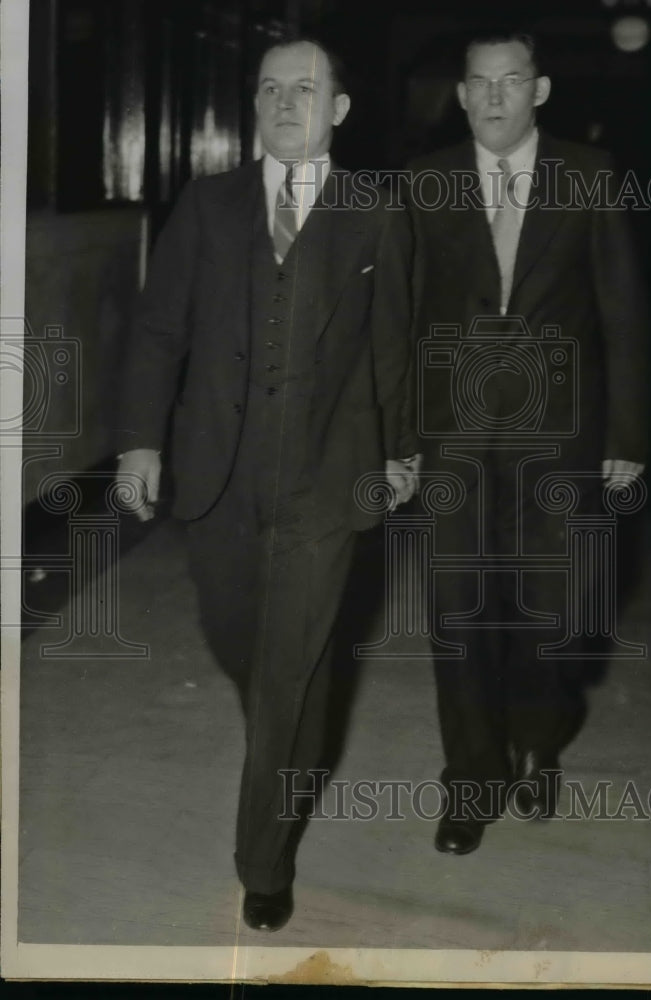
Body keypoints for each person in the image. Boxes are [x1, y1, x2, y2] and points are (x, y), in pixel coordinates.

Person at [115, 38, 416, 931]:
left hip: (328, 480)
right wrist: (138, 444)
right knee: (249, 651)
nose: (287, 103)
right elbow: (157, 332)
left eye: (306, 88)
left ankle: (263, 860)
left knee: (287, 676)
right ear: (254, 105)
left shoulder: (378, 211)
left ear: (340, 110)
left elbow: (393, 347)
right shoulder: (206, 207)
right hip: (217, 479)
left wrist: (401, 453)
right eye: (271, 89)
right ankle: (287, 726)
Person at [406, 29, 649, 854]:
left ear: (538, 91)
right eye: (481, 83)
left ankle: (539, 745)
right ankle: (470, 779)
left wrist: (627, 432)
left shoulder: (588, 175)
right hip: (453, 437)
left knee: (552, 611)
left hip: (562, 434)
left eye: (513, 81)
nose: (497, 97)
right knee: (458, 612)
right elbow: (401, 322)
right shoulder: (426, 181)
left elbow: (623, 311)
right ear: (463, 94)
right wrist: (398, 436)